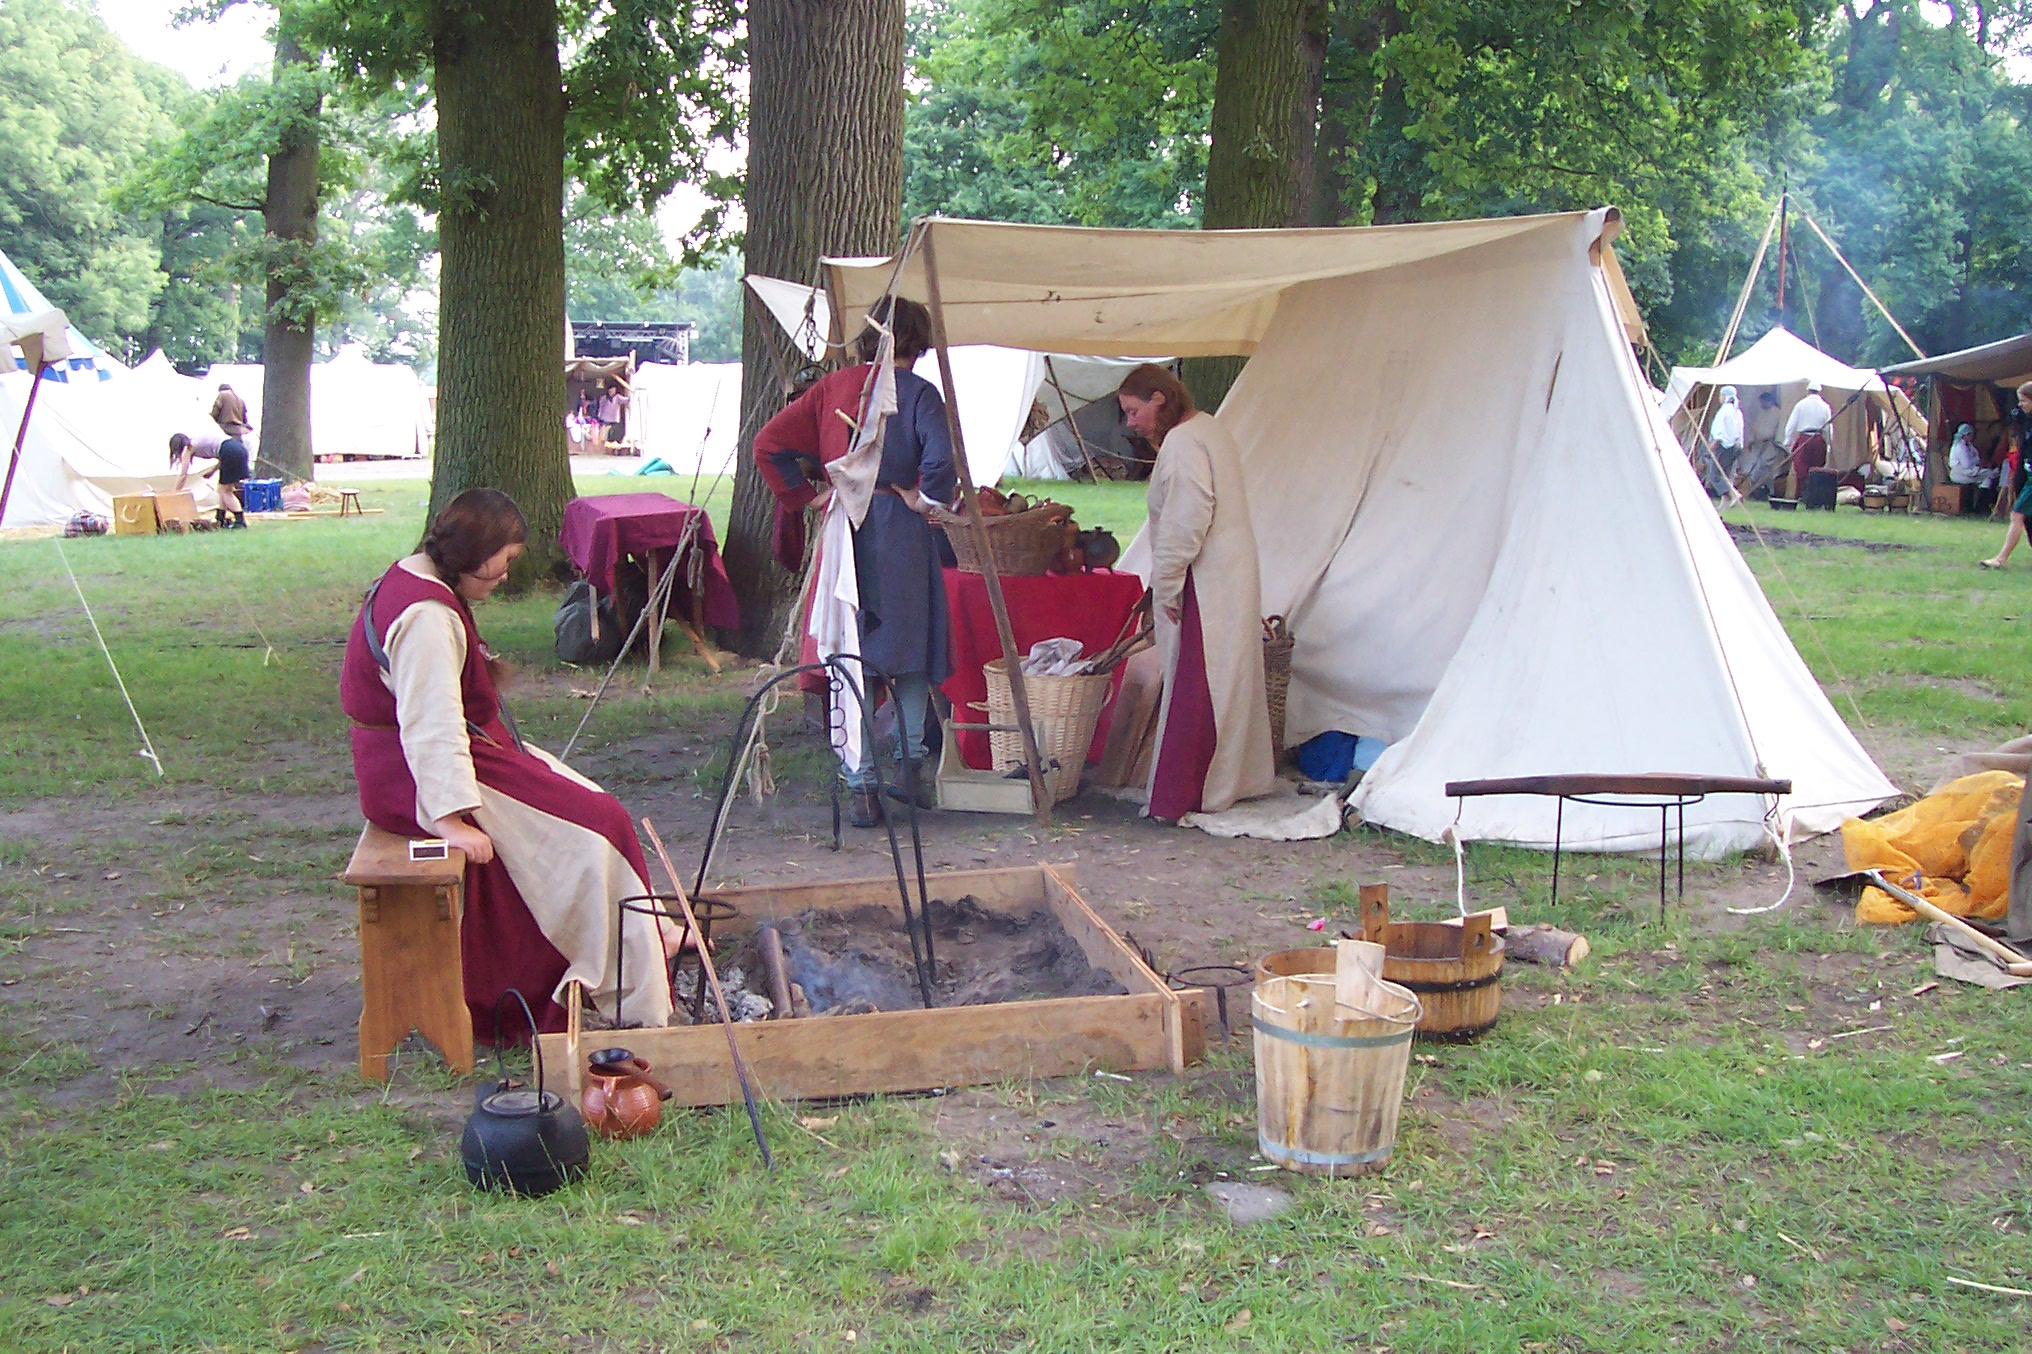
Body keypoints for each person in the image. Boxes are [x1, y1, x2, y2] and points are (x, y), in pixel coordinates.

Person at [340, 489, 680, 1037]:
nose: (505, 575)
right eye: (505, 561)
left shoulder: (419, 579)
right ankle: (622, 974)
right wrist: (450, 818)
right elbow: (431, 725)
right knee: (595, 830)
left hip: (437, 758)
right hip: (414, 779)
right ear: (474, 554)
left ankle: (644, 936)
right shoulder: (426, 617)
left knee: (595, 805)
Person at [753, 297, 959, 827]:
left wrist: (808, 497)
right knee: (909, 651)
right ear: (919, 342)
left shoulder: (833, 387)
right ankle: (907, 769)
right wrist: (923, 499)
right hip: (900, 533)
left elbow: (768, 444)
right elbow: (941, 461)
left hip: (848, 530)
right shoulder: (920, 394)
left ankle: (863, 785)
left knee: (853, 651)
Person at [1117, 364, 1276, 820]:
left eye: (1134, 411)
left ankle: (1187, 794)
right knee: (1220, 680)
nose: (1131, 422)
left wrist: (1167, 585)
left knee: (1201, 685)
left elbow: (1187, 519)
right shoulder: (1207, 428)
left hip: (1205, 580)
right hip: (1224, 574)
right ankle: (1223, 782)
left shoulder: (1185, 442)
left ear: (1159, 400)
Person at [1980, 383, 2032, 568]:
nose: (2020, 405)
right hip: (2027, 476)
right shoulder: (2027, 422)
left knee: (2017, 514)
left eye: (2023, 401)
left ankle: (2001, 559)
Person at [1782, 379, 1833, 496]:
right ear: (1819, 392)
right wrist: (1828, 444)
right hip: (1818, 439)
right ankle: (1813, 494)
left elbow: (1791, 424)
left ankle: (1802, 493)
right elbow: (1828, 428)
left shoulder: (1801, 405)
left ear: (1808, 391)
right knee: (1816, 469)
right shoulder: (1825, 407)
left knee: (1801, 468)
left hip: (1804, 439)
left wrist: (1788, 440)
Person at [1705, 386, 1745, 500]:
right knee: (1726, 474)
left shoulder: (1725, 411)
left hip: (1725, 446)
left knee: (1715, 475)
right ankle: (1725, 501)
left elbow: (1720, 429)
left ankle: (1734, 493)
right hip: (1736, 445)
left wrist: (1714, 442)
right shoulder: (1737, 411)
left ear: (1724, 396)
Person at [209, 434, 250, 528]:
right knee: (223, 490)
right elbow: (221, 458)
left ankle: (240, 520)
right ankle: (220, 517)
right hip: (239, 451)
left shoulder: (190, 447)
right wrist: (212, 471)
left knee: (225, 491)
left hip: (230, 454)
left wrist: (177, 489)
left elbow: (183, 472)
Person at [597, 377, 630, 452]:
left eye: (614, 389)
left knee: (613, 433)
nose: (612, 391)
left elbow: (626, 400)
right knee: (604, 434)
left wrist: (631, 395)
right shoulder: (604, 398)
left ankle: (612, 448)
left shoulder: (617, 397)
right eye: (611, 389)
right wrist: (599, 416)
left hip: (614, 419)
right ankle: (603, 448)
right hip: (604, 419)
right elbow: (601, 408)